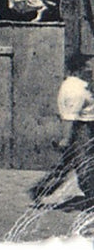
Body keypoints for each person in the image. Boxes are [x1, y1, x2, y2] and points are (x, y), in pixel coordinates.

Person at [29, 53, 94, 204]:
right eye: (90, 65)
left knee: (71, 164)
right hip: (82, 129)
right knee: (83, 164)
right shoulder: (74, 88)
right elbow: (70, 117)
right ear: (81, 68)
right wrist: (66, 138)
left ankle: (42, 190)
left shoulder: (80, 84)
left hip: (85, 127)